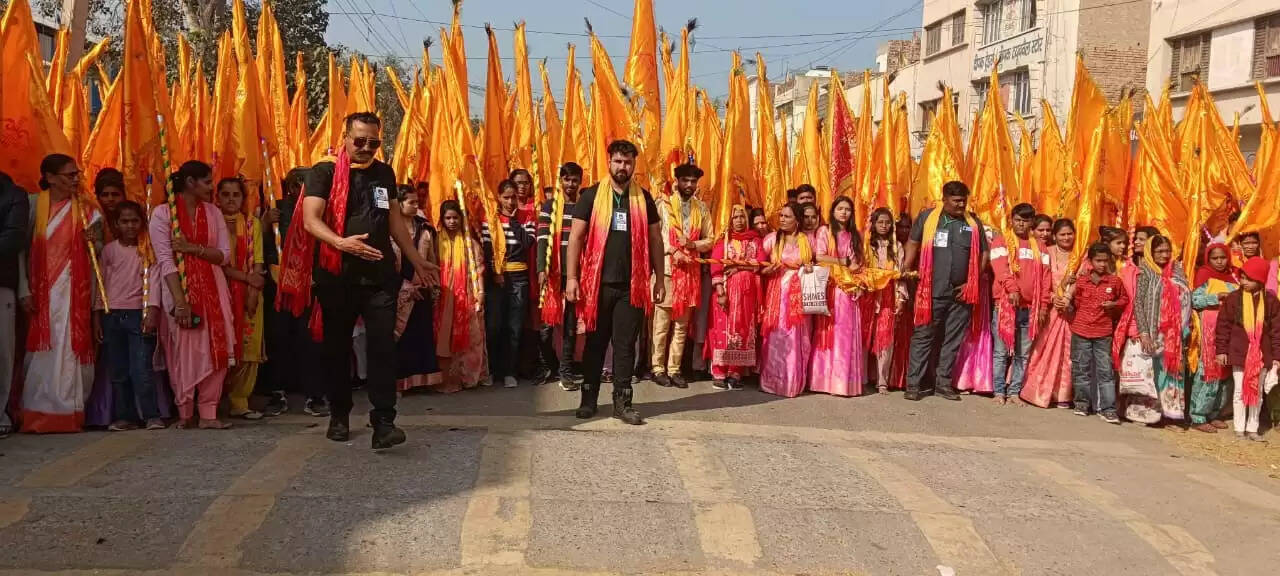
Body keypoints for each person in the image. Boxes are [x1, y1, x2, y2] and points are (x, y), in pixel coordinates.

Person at [293, 112, 434, 449]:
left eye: (373, 142)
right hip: (337, 274)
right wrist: (342, 243)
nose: (366, 148)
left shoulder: (383, 173)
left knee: (383, 347)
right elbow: (310, 220)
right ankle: (339, 414)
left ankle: (384, 422)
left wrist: (418, 262)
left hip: (379, 275)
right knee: (337, 349)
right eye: (359, 141)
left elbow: (395, 223)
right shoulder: (323, 172)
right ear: (344, 137)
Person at [564, 139, 664, 425]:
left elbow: (655, 239)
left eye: (628, 162)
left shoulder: (643, 198)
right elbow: (576, 238)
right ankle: (588, 400)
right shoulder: (592, 196)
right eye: (618, 161)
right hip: (597, 285)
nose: (623, 167)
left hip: (633, 285)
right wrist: (572, 278)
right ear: (609, 162)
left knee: (625, 346)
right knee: (595, 345)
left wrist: (659, 278)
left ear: (634, 164)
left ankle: (623, 403)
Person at [150, 160, 236, 430]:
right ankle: (185, 411)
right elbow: (165, 260)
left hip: (214, 287)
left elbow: (224, 255)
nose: (212, 188)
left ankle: (209, 413)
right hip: (178, 289)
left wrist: (191, 248)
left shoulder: (213, 213)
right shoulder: (163, 214)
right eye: (207, 182)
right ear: (190, 183)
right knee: (183, 348)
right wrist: (180, 302)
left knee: (216, 347)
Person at [17, 155, 99, 433]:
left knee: (70, 353)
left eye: (77, 174)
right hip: (40, 295)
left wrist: (94, 242)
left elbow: (98, 254)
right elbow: (20, 251)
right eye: (68, 175)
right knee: (41, 353)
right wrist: (23, 289)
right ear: (50, 177)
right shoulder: (31, 206)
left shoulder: (87, 210)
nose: (75, 180)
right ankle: (36, 414)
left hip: (74, 296)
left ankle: (69, 413)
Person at [902, 181, 989, 402]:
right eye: (956, 200)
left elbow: (983, 255)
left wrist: (972, 281)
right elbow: (913, 242)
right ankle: (914, 384)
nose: (961, 204)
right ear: (945, 199)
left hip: (961, 294)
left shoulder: (973, 222)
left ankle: (943, 383)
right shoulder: (928, 218)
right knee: (923, 336)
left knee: (952, 339)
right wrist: (907, 268)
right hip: (931, 290)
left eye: (964, 200)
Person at [93, 201, 165, 431]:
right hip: (111, 314)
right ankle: (126, 417)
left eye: (135, 221)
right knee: (118, 369)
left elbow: (154, 283)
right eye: (125, 221)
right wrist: (97, 317)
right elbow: (100, 282)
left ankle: (151, 415)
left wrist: (152, 310)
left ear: (142, 224)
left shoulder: (147, 250)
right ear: (116, 224)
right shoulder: (109, 250)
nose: (130, 226)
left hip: (138, 314)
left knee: (141, 367)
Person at [266, 168, 329, 417]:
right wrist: (263, 223)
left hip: (308, 285)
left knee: (310, 341)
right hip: (279, 284)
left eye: (305, 183)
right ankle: (277, 393)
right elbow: (264, 247)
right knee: (278, 340)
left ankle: (314, 395)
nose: (299, 188)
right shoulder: (276, 208)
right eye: (295, 183)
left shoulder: (318, 209)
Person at [651, 163, 713, 389]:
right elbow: (655, 235)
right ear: (676, 181)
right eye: (685, 180)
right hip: (667, 270)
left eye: (693, 181)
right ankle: (657, 368)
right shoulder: (664, 206)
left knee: (681, 326)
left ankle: (674, 369)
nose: (689, 185)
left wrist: (693, 244)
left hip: (690, 273)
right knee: (662, 324)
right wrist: (674, 249)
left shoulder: (702, 209)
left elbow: (710, 240)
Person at [1120, 234, 1190, 425]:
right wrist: (1143, 333)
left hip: (1173, 334)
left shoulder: (1177, 271)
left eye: (1167, 251)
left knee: (1170, 372)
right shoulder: (1145, 272)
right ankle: (1147, 414)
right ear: (1151, 252)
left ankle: (1170, 413)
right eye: (1159, 251)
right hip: (1151, 332)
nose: (1164, 255)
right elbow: (1138, 304)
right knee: (1149, 373)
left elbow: (1186, 299)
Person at [215, 178, 266, 421]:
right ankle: (216, 400)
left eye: (236, 195)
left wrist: (253, 291)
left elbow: (258, 260)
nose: (231, 199)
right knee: (224, 345)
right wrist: (248, 278)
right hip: (220, 290)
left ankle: (240, 400)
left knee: (249, 346)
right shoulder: (213, 224)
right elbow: (219, 264)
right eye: (225, 194)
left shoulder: (251, 223)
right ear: (218, 198)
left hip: (248, 291)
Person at [990, 203, 1051, 404]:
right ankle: (999, 392)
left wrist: (1042, 306)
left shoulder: (1040, 248)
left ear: (1031, 222)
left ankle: (1014, 392)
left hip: (1029, 309)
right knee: (1000, 352)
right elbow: (1000, 269)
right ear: (1011, 220)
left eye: (1025, 221)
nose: (1021, 224)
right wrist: (1012, 289)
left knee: (1022, 354)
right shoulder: (1001, 242)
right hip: (1005, 305)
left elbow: (1046, 279)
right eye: (1017, 220)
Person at [1214, 257, 1280, 442]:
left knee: (1257, 392)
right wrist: (1221, 350)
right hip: (1239, 352)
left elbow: (1277, 331)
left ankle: (1252, 428)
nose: (1243, 282)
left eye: (1248, 279)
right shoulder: (1234, 298)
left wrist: (1277, 356)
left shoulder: (1271, 300)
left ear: (1260, 280)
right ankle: (1238, 428)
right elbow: (1223, 326)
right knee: (1239, 390)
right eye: (1242, 277)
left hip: (1261, 354)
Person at [481, 179, 536, 388]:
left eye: (513, 197)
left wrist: (514, 222)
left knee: (514, 327)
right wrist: (495, 273)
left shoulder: (527, 217)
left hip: (518, 277)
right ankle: (493, 370)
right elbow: (487, 248)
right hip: (497, 278)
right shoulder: (490, 219)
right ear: (499, 198)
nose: (511, 201)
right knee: (494, 326)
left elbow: (527, 243)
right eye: (506, 197)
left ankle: (510, 372)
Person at [1065, 243, 1127, 423]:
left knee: (1105, 371)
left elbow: (1124, 299)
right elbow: (1075, 302)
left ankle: (1108, 409)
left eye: (1105, 261)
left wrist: (1113, 305)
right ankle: (1082, 404)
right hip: (1081, 329)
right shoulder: (1082, 281)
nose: (1102, 264)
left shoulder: (1115, 282)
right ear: (1090, 261)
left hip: (1103, 332)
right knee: (1080, 369)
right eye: (1098, 260)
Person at [810, 196, 865, 397]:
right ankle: (824, 381)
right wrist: (841, 261)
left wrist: (856, 273)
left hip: (849, 288)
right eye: (840, 208)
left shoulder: (855, 235)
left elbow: (858, 261)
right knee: (829, 333)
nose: (843, 212)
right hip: (831, 287)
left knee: (846, 333)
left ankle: (843, 382)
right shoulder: (825, 231)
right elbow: (819, 256)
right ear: (833, 211)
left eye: (847, 209)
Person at [759, 202, 814, 397]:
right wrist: (767, 270)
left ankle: (792, 383)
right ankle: (772, 382)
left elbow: (816, 264)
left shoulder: (807, 241)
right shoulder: (771, 240)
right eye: (781, 215)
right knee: (776, 335)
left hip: (798, 293)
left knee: (797, 336)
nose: (782, 219)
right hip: (777, 290)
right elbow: (757, 267)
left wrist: (809, 267)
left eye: (787, 216)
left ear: (797, 221)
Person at [537, 162, 584, 390]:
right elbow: (542, 239)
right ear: (561, 181)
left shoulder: (584, 206)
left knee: (570, 325)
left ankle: (566, 372)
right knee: (546, 325)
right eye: (567, 179)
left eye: (575, 180)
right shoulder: (550, 206)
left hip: (574, 274)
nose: (571, 184)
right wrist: (541, 268)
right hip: (552, 273)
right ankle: (549, 366)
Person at [1021, 219, 1077, 408]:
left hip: (1070, 311)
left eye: (1070, 233)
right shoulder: (1047, 252)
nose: (1066, 237)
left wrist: (1068, 298)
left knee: (1066, 353)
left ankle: (1062, 395)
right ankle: (1035, 389)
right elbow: (1042, 279)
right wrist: (1053, 297)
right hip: (1049, 308)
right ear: (1055, 236)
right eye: (1062, 234)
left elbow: (1082, 279)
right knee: (1042, 348)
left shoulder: (1080, 255)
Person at [391, 185, 441, 392]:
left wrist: (434, 285)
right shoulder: (389, 229)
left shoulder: (425, 229)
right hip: (399, 291)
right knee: (401, 338)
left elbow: (432, 260)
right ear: (399, 203)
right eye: (410, 202)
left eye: (416, 203)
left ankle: (423, 382)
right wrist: (403, 287)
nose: (414, 206)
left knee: (422, 336)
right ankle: (400, 383)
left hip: (422, 289)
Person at [435, 200, 488, 392]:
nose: (452, 222)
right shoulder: (435, 240)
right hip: (442, 297)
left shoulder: (469, 243)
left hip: (466, 295)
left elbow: (478, 270)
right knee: (442, 337)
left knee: (471, 337)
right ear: (441, 219)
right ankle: (446, 379)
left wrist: (480, 293)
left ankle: (469, 377)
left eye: (455, 217)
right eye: (447, 218)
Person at [708, 204, 762, 391]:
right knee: (723, 330)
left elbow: (760, 263)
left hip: (747, 294)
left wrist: (739, 267)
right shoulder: (724, 241)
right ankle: (719, 372)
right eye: (735, 217)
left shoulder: (754, 240)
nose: (738, 221)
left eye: (741, 217)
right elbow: (715, 267)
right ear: (729, 220)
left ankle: (735, 373)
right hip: (727, 292)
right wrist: (721, 292)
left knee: (743, 330)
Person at [1189, 243, 1237, 433]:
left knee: (1225, 373)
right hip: (1210, 331)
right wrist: (1216, 297)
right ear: (1208, 259)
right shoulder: (1204, 275)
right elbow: (1195, 300)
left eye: (1222, 257)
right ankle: (1198, 415)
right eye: (1215, 258)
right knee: (1208, 370)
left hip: (1230, 331)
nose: (1219, 261)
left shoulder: (1234, 277)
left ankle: (1215, 413)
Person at [866, 208, 907, 393]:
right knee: (865, 337)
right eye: (880, 222)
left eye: (887, 222)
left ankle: (882, 381)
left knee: (885, 338)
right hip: (867, 295)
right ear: (873, 223)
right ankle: (864, 376)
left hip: (888, 296)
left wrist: (901, 297)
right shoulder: (867, 244)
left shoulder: (896, 246)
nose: (884, 226)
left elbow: (899, 274)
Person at [0, 173, 28, 438]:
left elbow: (14, 237)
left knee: (2, 352)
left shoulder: (13, 195)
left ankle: (1, 414)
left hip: (1, 283)